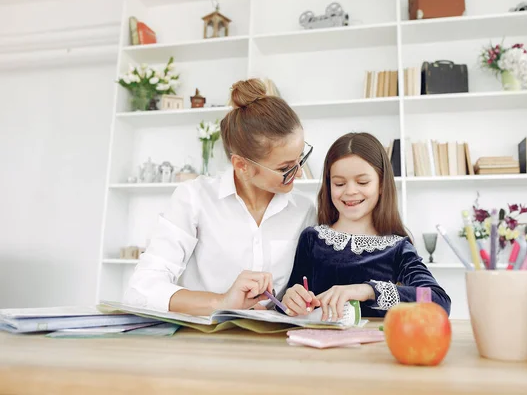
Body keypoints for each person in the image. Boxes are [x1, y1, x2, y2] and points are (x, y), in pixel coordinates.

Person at [123, 78, 316, 315]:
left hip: (274, 343)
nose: (299, 173)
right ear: (242, 165)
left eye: (301, 158)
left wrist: (295, 298)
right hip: (203, 342)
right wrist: (223, 302)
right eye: (285, 168)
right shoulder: (194, 198)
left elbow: (306, 286)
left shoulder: (303, 209)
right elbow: (141, 290)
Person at [281, 132, 451, 321]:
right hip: (317, 347)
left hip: (376, 348)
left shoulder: (398, 247)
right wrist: (290, 300)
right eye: (339, 183)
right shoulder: (312, 239)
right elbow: (287, 306)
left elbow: (437, 301)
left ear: (381, 185)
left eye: (362, 182)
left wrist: (369, 290)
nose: (350, 191)